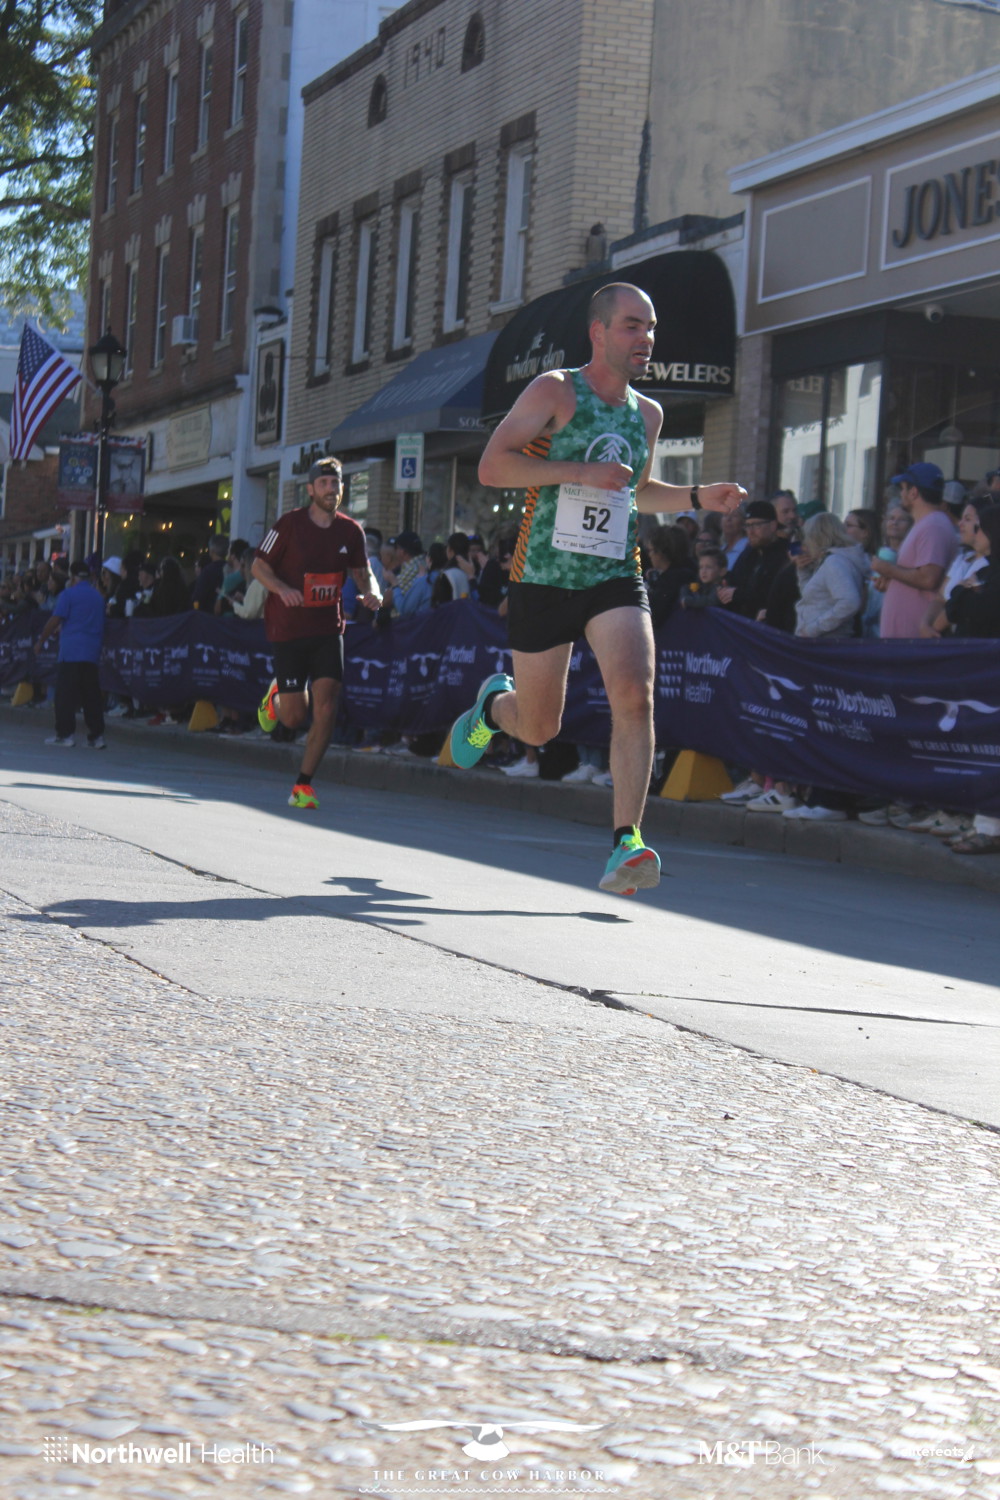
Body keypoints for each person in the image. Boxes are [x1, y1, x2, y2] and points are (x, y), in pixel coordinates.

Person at [449, 281, 745, 895]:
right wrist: (579, 470)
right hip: (543, 575)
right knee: (539, 727)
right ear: (598, 332)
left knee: (635, 696)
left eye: (651, 327)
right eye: (633, 325)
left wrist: (697, 496)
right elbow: (493, 466)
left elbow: (635, 489)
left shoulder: (648, 413)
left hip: (614, 574)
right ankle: (492, 708)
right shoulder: (555, 391)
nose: (646, 338)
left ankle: (626, 844)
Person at [252, 455, 381, 809]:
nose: (330, 489)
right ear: (310, 490)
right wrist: (282, 589)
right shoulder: (289, 524)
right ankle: (276, 696)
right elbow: (258, 566)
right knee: (294, 717)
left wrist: (373, 592)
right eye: (323, 483)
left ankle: (303, 785)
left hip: (328, 629)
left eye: (335, 483)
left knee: (327, 705)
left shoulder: (351, 531)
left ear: (342, 488)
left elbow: (362, 572)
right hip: (289, 628)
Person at [871, 462, 957, 639]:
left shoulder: (933, 526)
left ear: (914, 492)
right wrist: (892, 582)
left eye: (903, 488)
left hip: (914, 642)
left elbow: (928, 579)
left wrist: (887, 569)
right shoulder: (926, 524)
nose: (901, 494)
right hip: (904, 641)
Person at [33, 559, 107, 749]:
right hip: (92, 651)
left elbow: (55, 619)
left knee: (65, 695)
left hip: (71, 650)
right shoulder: (98, 597)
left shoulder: (68, 594)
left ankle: (65, 734)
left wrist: (41, 641)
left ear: (72, 577)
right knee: (91, 695)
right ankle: (96, 736)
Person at [718, 499, 790, 620]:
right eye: (747, 525)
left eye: (756, 525)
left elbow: (775, 594)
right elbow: (735, 579)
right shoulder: (749, 553)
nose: (750, 531)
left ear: (773, 525)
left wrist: (738, 595)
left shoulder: (785, 554)